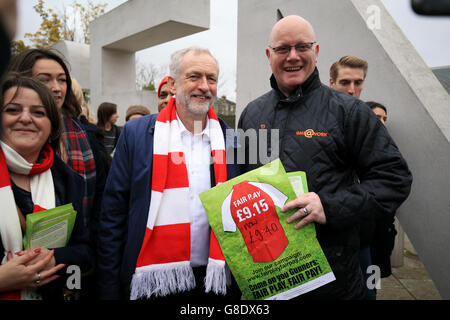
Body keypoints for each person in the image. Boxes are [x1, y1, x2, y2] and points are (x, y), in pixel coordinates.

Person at [238, 15, 412, 300]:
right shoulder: (252, 114)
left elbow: (395, 179)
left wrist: (329, 207)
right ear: (269, 56)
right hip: (270, 278)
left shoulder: (349, 112)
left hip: (334, 281)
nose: (293, 56)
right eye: (283, 49)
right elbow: (242, 181)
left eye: (302, 47)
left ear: (316, 52)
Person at [97, 46, 242, 300]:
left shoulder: (232, 140)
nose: (204, 86)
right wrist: (109, 289)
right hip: (149, 282)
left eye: (212, 79)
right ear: (173, 85)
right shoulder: (135, 135)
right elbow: (113, 215)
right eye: (194, 76)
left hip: (213, 281)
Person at [0, 74, 92, 299]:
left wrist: (56, 260)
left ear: (52, 127)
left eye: (38, 112)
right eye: (12, 110)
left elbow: (84, 254)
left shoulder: (69, 180)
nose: (25, 118)